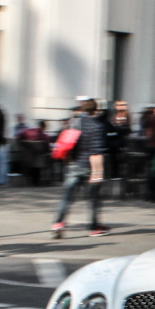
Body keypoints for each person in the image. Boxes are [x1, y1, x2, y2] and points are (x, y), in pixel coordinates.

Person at [51, 97, 109, 237]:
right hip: (89, 167)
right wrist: (97, 173)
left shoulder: (75, 122)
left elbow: (67, 142)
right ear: (96, 110)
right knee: (94, 198)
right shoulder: (97, 126)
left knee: (67, 197)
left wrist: (69, 161)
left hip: (74, 165)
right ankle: (94, 227)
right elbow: (96, 152)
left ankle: (59, 223)